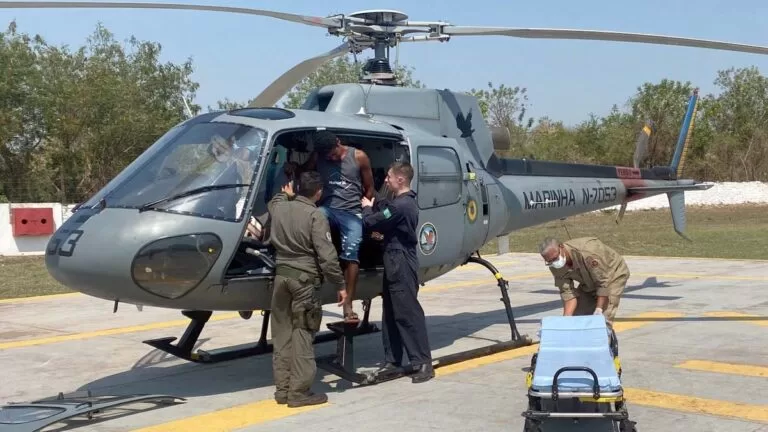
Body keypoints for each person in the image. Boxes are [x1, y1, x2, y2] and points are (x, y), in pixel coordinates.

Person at [268, 171, 347, 407]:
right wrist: (340, 284)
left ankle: (282, 390)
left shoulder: (280, 208)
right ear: (319, 192)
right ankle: (299, 392)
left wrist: (287, 195)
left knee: (282, 336)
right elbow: (327, 256)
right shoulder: (315, 216)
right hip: (304, 282)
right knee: (303, 334)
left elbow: (275, 200)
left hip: (281, 278)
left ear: (296, 188)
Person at [284, 130, 375, 324]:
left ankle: (348, 303)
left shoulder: (358, 156)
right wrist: (292, 167)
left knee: (352, 249)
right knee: (311, 220)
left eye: (333, 154)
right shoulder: (319, 155)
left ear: (338, 142)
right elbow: (304, 171)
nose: (330, 158)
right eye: (327, 156)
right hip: (328, 208)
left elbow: (369, 188)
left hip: (351, 212)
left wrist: (365, 209)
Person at [361, 161, 434, 384]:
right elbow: (386, 210)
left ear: (400, 179)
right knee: (391, 312)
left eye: (390, 177)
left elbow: (372, 221)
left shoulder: (400, 206)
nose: (387, 180)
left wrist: (366, 206)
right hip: (394, 260)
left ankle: (422, 361)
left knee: (407, 312)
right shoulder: (401, 203)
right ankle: (393, 359)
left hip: (400, 260)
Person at [538, 236, 630, 327]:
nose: (554, 263)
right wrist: (567, 319)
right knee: (576, 317)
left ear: (561, 247)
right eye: (549, 261)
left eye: (555, 258)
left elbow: (603, 283)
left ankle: (606, 338)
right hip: (589, 283)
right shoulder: (554, 265)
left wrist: (599, 309)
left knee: (602, 320)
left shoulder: (588, 252)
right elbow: (567, 292)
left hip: (612, 275)